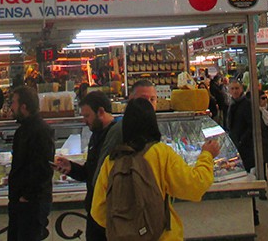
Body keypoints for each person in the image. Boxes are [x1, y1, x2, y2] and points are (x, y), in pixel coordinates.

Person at [91, 97, 220, 240]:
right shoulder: (160, 153)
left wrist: (128, 226)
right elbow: (195, 185)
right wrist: (207, 155)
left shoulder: (112, 160)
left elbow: (98, 211)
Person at [54, 90, 122, 241]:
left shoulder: (117, 136)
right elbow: (90, 174)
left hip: (110, 213)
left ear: (100, 111)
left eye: (87, 116)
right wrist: (70, 167)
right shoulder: (95, 134)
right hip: (94, 210)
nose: (84, 120)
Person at [7, 86, 54, 241]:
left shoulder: (39, 131)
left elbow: (43, 168)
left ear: (24, 106)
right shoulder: (23, 130)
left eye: (13, 103)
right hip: (22, 201)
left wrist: (27, 195)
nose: (11, 107)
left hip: (32, 203)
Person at [226, 78, 255, 172]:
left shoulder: (246, 104)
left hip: (245, 146)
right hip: (236, 144)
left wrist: (242, 140)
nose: (235, 91)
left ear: (241, 89)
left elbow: (251, 125)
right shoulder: (231, 104)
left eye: (237, 88)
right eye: (232, 89)